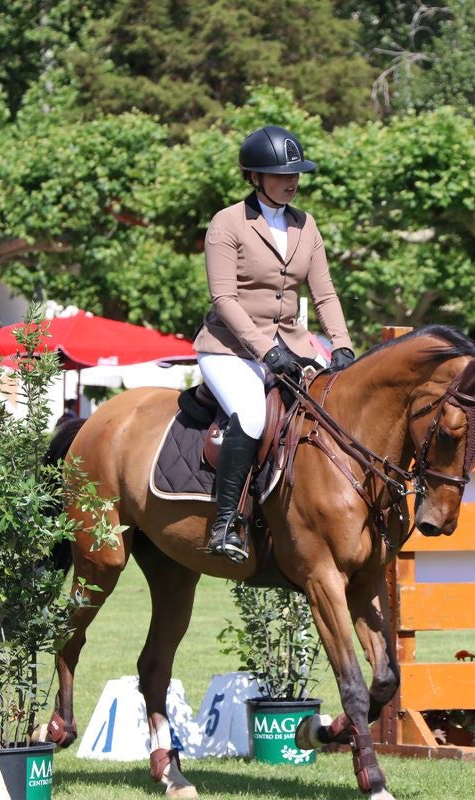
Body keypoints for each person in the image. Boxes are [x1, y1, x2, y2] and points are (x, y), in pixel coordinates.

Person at [193, 125, 356, 563]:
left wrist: (341, 345)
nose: (292, 180)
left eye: (296, 173)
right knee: (249, 413)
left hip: (294, 346)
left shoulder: (306, 225)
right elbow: (223, 298)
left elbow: (325, 294)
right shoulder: (227, 223)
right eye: (280, 173)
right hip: (229, 349)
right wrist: (267, 351)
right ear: (254, 177)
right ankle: (226, 522)